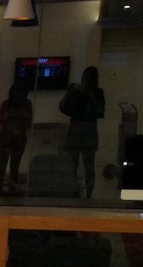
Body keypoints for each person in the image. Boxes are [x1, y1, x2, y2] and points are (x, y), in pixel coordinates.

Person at [59, 65, 105, 198]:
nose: (86, 80)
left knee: (89, 167)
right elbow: (63, 108)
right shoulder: (77, 92)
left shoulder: (97, 92)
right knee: (72, 165)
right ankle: (74, 192)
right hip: (78, 130)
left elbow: (100, 111)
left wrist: (89, 94)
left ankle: (88, 195)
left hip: (87, 131)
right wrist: (69, 93)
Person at [0, 83, 33, 192]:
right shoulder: (8, 104)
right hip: (7, 138)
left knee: (13, 167)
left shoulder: (26, 105)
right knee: (3, 167)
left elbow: (29, 123)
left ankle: (9, 190)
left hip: (16, 139)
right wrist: (8, 116)